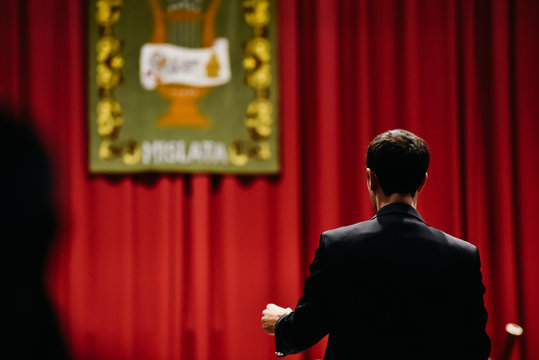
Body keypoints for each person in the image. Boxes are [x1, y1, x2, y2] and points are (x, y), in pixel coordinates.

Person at [261, 129, 490, 359]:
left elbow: (305, 330)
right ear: (423, 181)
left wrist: (281, 321)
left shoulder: (338, 246)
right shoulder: (463, 256)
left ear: (371, 179)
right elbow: (476, 349)